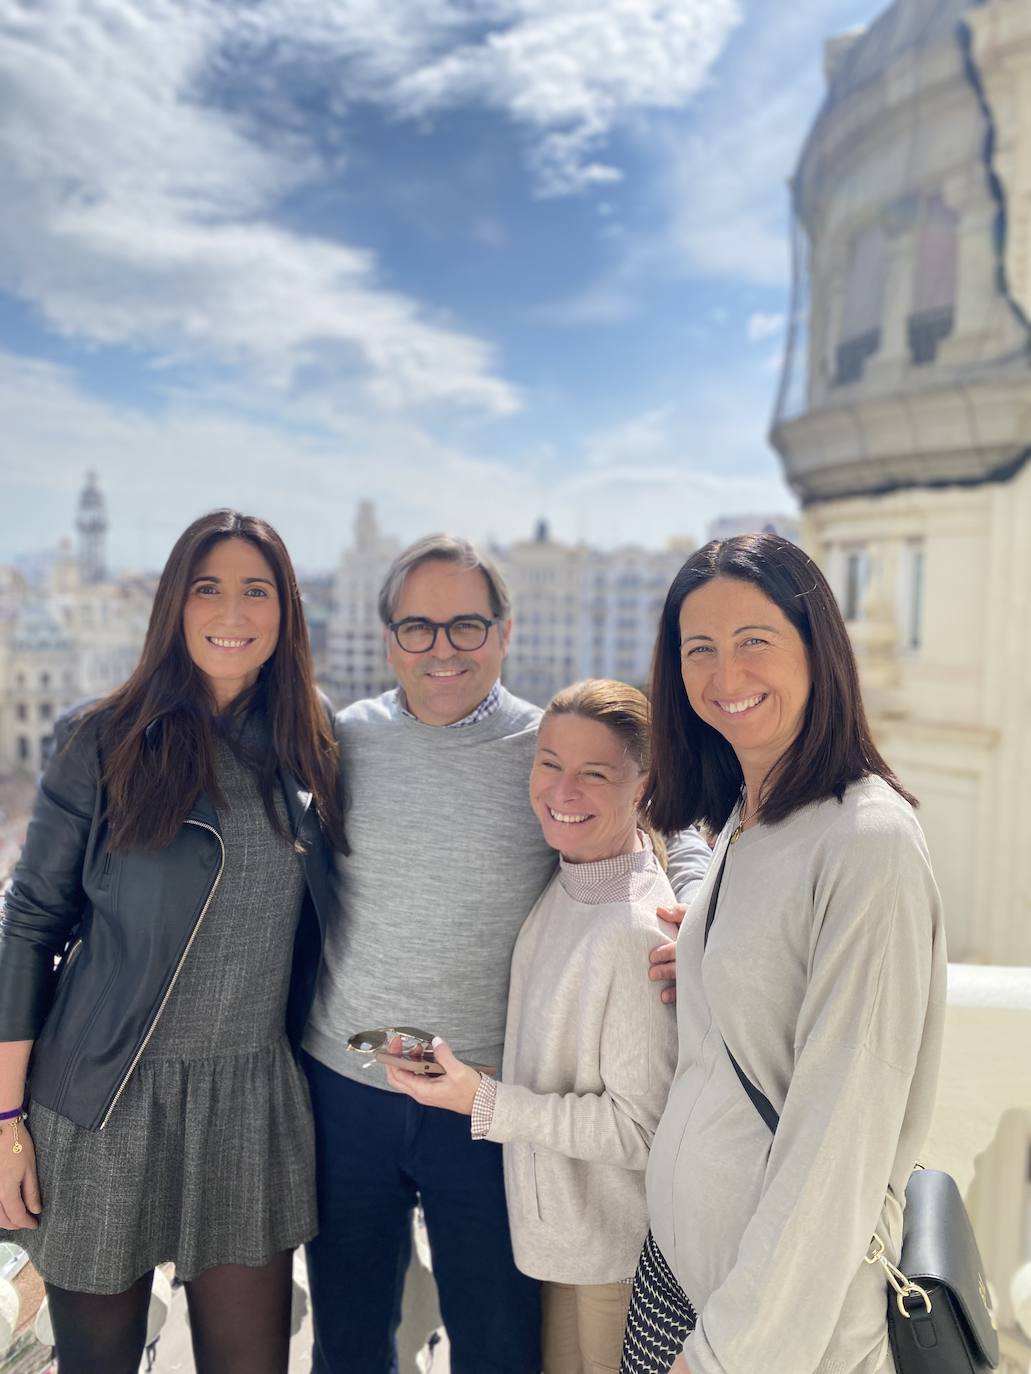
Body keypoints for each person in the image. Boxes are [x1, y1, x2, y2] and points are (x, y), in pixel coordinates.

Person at [301, 534, 712, 1374]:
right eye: (418, 627)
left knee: (496, 1346)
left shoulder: (545, 744)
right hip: (345, 1090)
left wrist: (701, 909)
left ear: (504, 632)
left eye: (466, 625)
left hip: (490, 1103)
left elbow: (667, 809)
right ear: (388, 638)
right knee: (346, 1340)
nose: (441, 648)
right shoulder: (345, 738)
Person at [0, 510, 345, 1374]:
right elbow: (29, 925)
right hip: (104, 1101)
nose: (232, 611)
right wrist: (6, 1122)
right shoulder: (102, 737)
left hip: (249, 1099)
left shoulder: (312, 741)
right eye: (208, 588)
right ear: (175, 606)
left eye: (255, 591)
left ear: (285, 612)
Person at [619, 533, 947, 1374]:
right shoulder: (750, 817)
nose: (724, 678)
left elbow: (838, 1145)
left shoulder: (865, 841)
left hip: (770, 1333)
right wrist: (704, 953)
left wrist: (729, 1352)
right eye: (699, 650)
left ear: (816, 649)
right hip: (676, 1274)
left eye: (753, 642)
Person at [386, 678, 680, 1374]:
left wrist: (480, 1103)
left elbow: (638, 1131)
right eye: (549, 762)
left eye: (594, 773)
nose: (561, 790)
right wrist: (466, 1075)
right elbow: (565, 1068)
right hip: (565, 1247)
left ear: (643, 785)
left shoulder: (633, 930)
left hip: (615, 1263)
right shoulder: (570, 879)